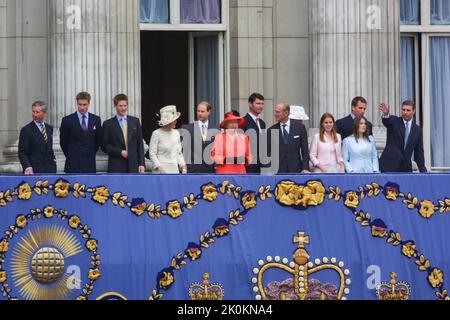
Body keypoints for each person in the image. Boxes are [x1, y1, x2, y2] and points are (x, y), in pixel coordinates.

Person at [101, 94, 145, 173]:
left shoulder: (135, 121)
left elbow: (140, 144)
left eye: (125, 105)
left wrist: (142, 164)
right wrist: (120, 152)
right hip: (116, 165)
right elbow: (104, 146)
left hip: (133, 165)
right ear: (115, 106)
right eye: (120, 106)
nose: (123, 108)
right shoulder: (108, 124)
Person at [379, 101, 427, 173]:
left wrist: (424, 172)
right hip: (388, 166)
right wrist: (386, 114)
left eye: (408, 110)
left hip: (405, 168)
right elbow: (387, 121)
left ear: (413, 111)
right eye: (403, 110)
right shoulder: (394, 121)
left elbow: (419, 153)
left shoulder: (417, 130)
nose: (405, 112)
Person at [60, 92, 102, 174]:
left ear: (88, 104)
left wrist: (89, 152)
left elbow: (98, 140)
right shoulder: (67, 120)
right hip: (73, 162)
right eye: (79, 104)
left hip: (89, 162)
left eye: (84, 104)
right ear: (77, 103)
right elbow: (63, 142)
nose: (82, 107)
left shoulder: (96, 119)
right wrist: (71, 155)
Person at [269, 102, 310, 174]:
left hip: (296, 169)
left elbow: (305, 150)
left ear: (286, 113)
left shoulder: (300, 128)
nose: (275, 114)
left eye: (277, 112)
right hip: (278, 171)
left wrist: (305, 168)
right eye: (275, 112)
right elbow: (268, 152)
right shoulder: (271, 130)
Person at [18, 101, 57, 174]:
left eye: (37, 112)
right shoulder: (26, 130)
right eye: (33, 112)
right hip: (34, 171)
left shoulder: (49, 128)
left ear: (44, 113)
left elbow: (49, 149)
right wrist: (27, 167)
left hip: (49, 170)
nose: (35, 114)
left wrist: (54, 163)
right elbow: (22, 152)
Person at [149, 105, 187, 174]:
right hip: (160, 170)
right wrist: (159, 167)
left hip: (174, 169)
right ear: (167, 121)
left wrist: (183, 165)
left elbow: (178, 153)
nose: (176, 122)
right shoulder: (156, 134)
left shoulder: (176, 133)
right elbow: (152, 154)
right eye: (174, 120)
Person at [182, 101, 218, 173]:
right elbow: (183, 149)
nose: (200, 114)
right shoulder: (188, 128)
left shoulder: (216, 129)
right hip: (192, 169)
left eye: (202, 111)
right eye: (198, 111)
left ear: (209, 112)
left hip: (209, 169)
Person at [243, 93, 267, 173]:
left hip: (261, 164)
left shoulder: (262, 123)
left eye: (262, 104)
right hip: (249, 164)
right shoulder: (243, 122)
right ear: (250, 104)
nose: (261, 106)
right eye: (258, 103)